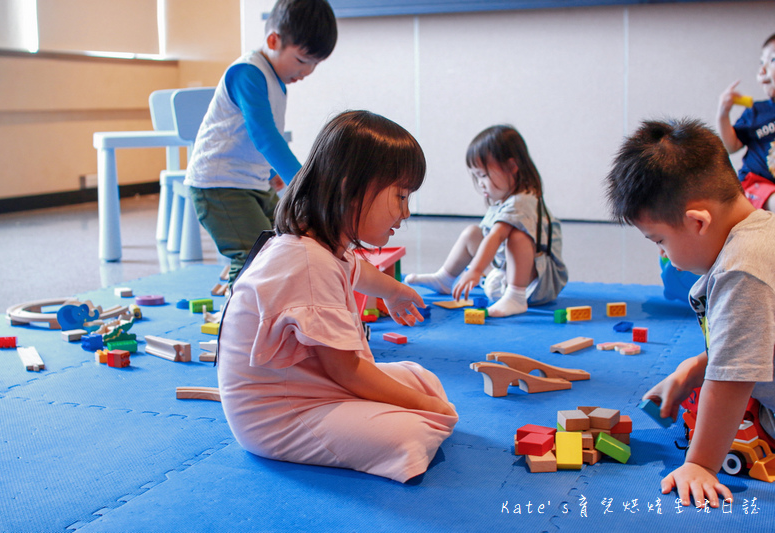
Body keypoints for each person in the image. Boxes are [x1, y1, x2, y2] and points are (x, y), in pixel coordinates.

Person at [217, 110, 458, 483]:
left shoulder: (321, 244)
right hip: (279, 415)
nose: (406, 212)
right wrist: (426, 408)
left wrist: (394, 291)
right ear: (351, 186)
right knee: (410, 433)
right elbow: (345, 370)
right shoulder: (308, 261)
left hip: (310, 386)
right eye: (400, 195)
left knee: (421, 377)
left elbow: (357, 271)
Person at [605, 118, 775, 508]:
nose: (662, 254)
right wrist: (692, 369)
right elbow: (753, 337)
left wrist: (700, 464)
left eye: (660, 240)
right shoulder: (762, 230)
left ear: (698, 222)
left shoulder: (741, 270)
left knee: (727, 416)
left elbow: (732, 380)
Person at [185, 0, 337, 283]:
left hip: (250, 182)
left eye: (314, 65)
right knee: (253, 254)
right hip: (219, 184)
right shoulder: (248, 72)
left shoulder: (276, 79)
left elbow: (247, 139)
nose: (306, 72)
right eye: (302, 61)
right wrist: (303, 182)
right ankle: (234, 321)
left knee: (281, 243)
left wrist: (272, 173)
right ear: (272, 40)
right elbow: (264, 135)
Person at [404, 125, 567, 318]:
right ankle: (445, 279)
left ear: (512, 167)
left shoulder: (522, 201)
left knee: (518, 237)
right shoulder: (505, 200)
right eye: (476, 176)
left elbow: (496, 236)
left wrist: (475, 270)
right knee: (473, 233)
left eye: (483, 175)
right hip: (504, 273)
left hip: (538, 284)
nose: (480, 182)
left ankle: (516, 296)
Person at [716, 32, 775, 210]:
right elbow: (731, 146)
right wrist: (723, 114)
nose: (762, 69)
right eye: (761, 62)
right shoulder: (756, 111)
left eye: (772, 60)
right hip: (756, 185)